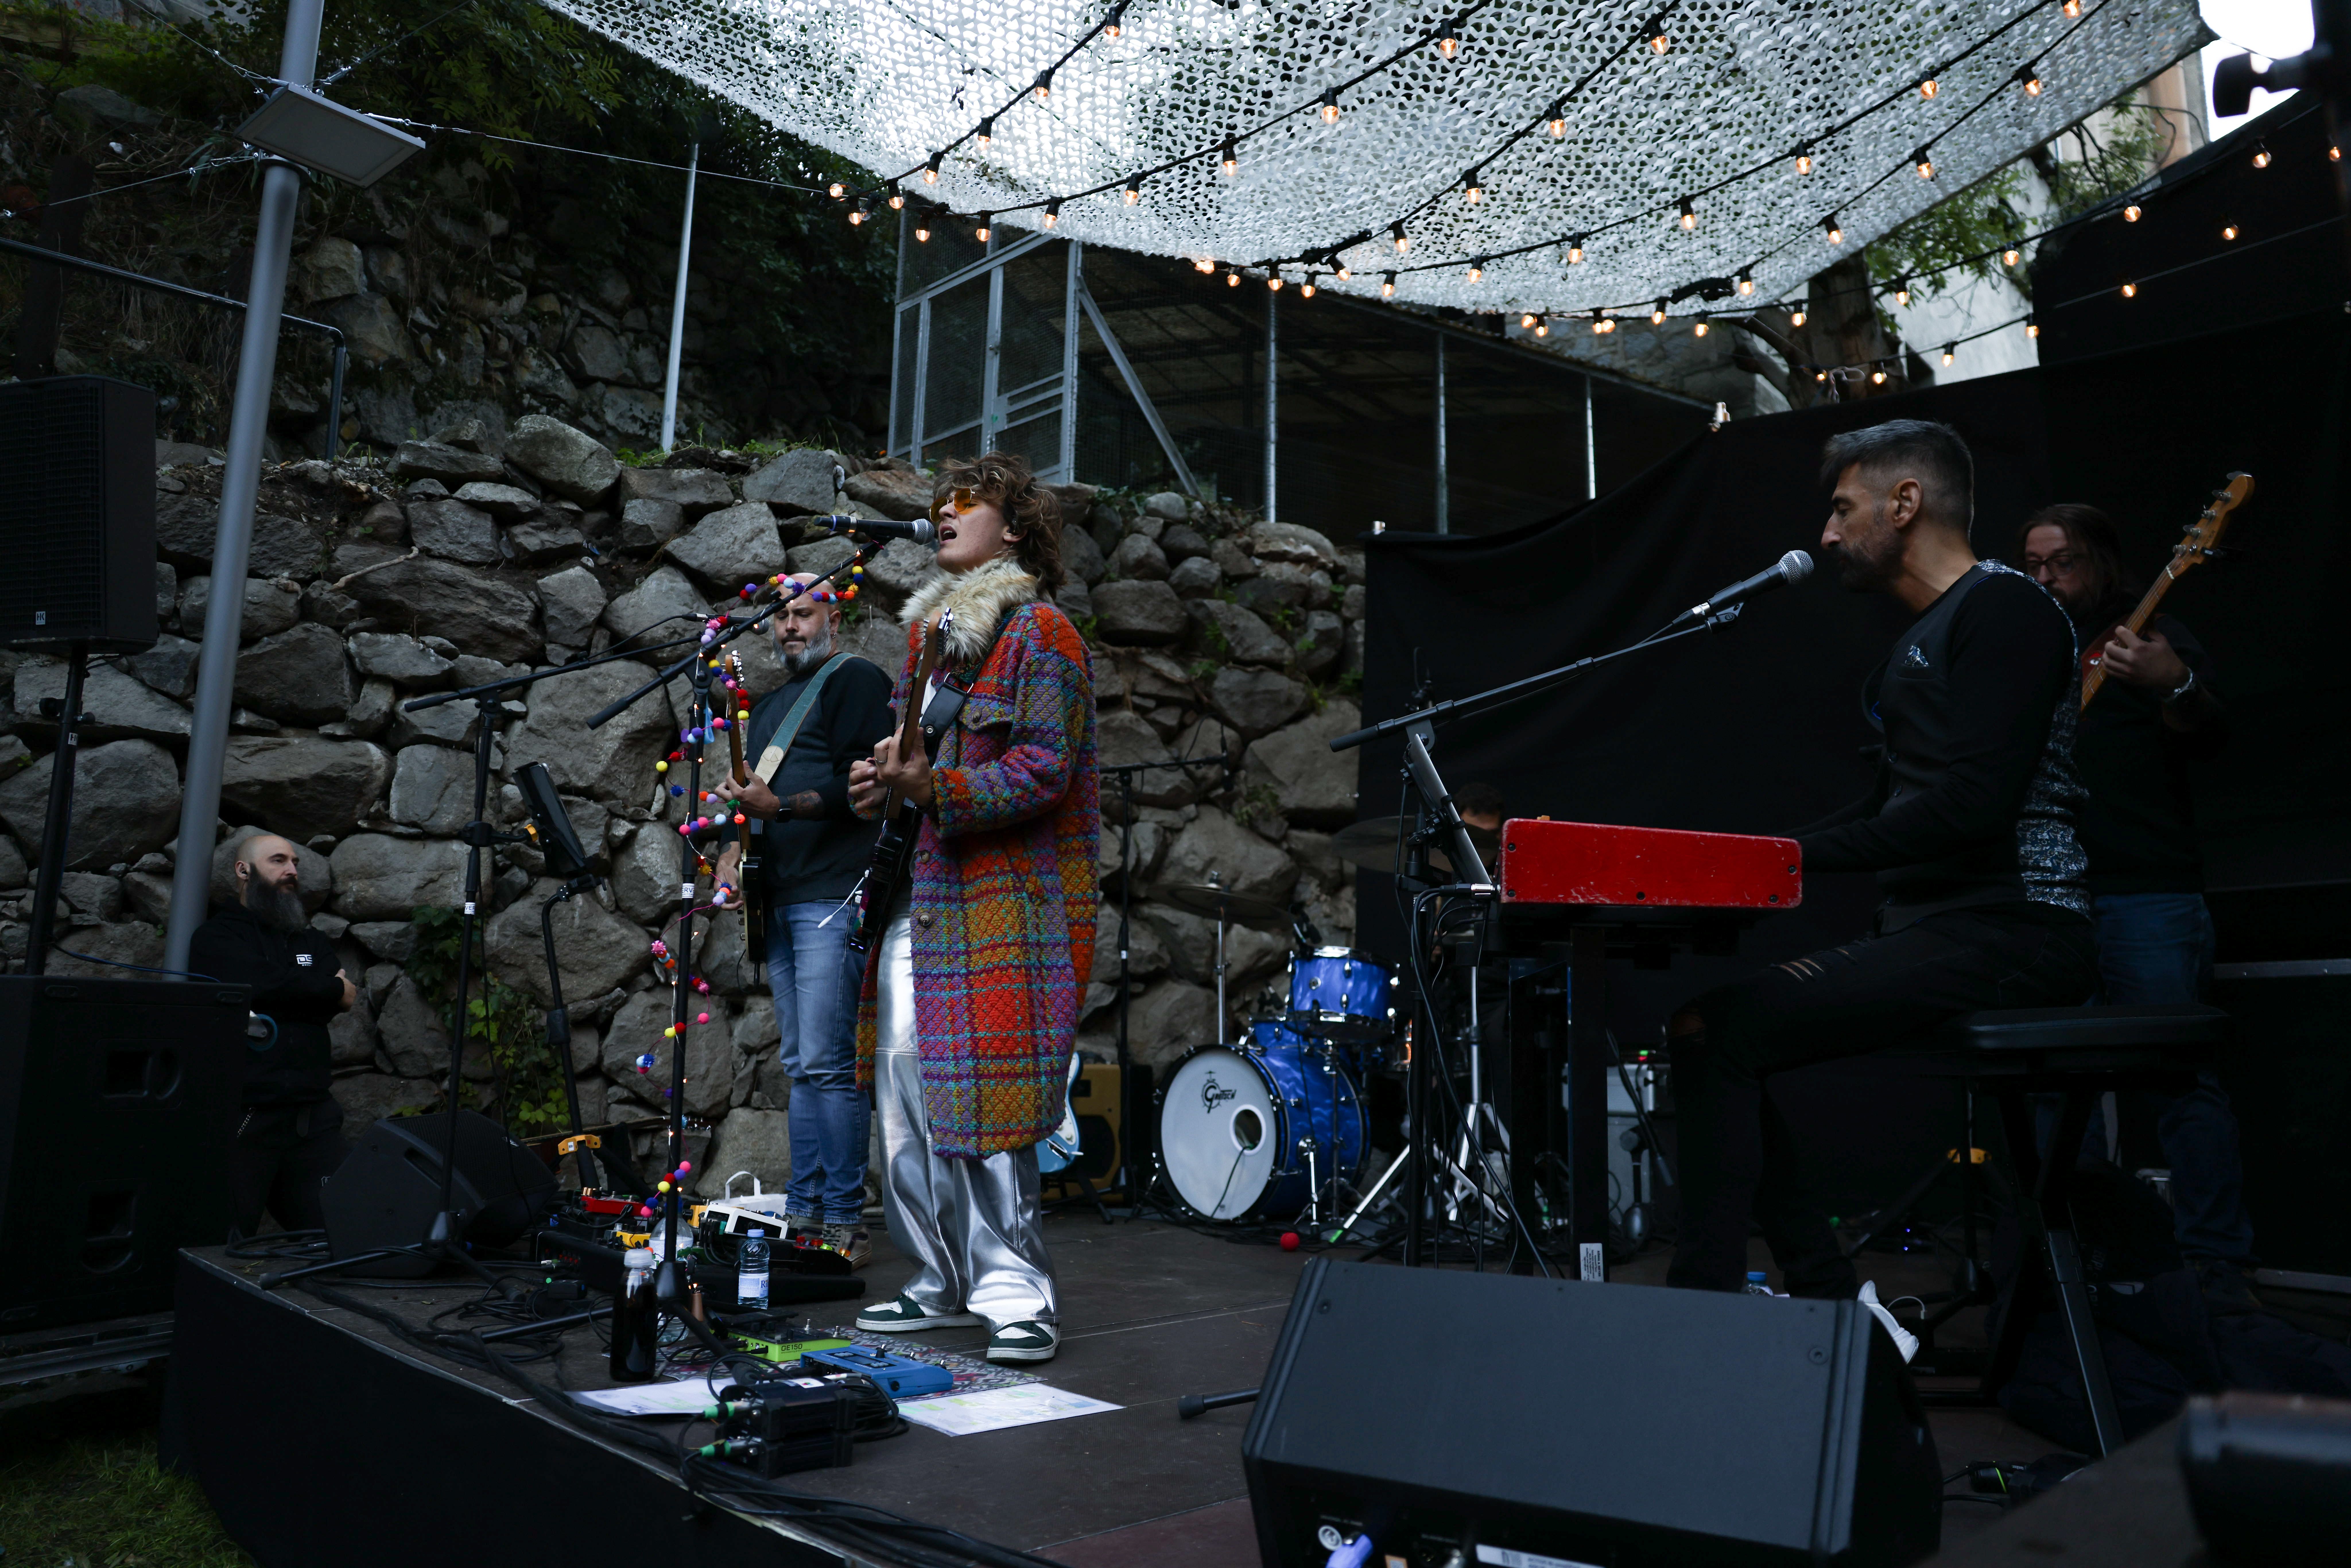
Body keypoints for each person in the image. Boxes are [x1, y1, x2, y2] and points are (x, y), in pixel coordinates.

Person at [1665, 420, 2100, 1297]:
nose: (1826, 535)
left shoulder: (2007, 610)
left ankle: (1720, 1307)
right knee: (1708, 1031)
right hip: (1950, 927)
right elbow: (1886, 810)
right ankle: (1829, 1299)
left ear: (1905, 504)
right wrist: (1738, 864)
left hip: (2017, 929)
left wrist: (1779, 859)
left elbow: (1970, 811)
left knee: (1720, 1033)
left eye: (1841, 509)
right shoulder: (1929, 634)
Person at [846, 451, 1099, 1364]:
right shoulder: (930, 642)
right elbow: (920, 771)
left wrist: (936, 788)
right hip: (925, 895)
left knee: (986, 1102)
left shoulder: (1043, 634)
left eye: (968, 502)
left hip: (1002, 905)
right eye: (940, 502)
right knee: (906, 1095)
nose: (944, 512)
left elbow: (1042, 769)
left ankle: (1014, 1293)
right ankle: (938, 1278)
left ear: (1018, 528)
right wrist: (883, 784)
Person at [2020, 504, 2257, 1309]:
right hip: (2056, 906)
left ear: (2104, 566)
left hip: (2148, 894)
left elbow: (2211, 732)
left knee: (2177, 1082)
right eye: (2035, 565)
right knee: (2057, 1090)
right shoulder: (2030, 650)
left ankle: (2216, 1266)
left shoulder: (2150, 637)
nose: (2047, 579)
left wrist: (2174, 683)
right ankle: (2081, 1261)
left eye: (2064, 563)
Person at [711, 573, 895, 1268]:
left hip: (833, 890)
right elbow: (755, 801)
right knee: (800, 1064)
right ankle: (808, 1209)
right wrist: (733, 851)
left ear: (833, 622)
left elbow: (872, 792)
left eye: (803, 614)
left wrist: (781, 810)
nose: (790, 626)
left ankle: (844, 1218)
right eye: (781, 617)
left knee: (828, 1062)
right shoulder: (770, 705)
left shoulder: (854, 679)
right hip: (781, 895)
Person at [190, 831, 358, 1236]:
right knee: (222, 1240)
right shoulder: (218, 938)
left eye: (295, 863)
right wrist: (325, 989)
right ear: (243, 870)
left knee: (342, 1231)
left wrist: (301, 992)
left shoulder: (309, 938)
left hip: (312, 1116)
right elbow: (259, 986)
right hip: (248, 1117)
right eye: (279, 861)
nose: (292, 871)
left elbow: (345, 999)